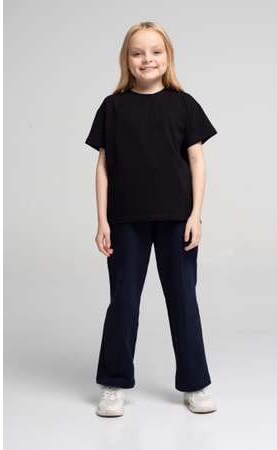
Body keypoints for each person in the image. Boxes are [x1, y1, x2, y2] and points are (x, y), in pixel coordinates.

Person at [85, 21, 218, 417]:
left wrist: (196, 214)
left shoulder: (184, 104)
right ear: (127, 59)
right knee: (123, 302)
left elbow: (197, 160)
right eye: (138, 52)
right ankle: (113, 383)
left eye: (156, 52)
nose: (147, 59)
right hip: (125, 221)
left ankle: (195, 383)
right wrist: (102, 220)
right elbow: (103, 167)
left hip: (177, 220)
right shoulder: (113, 107)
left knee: (183, 301)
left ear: (167, 57)